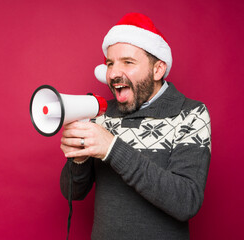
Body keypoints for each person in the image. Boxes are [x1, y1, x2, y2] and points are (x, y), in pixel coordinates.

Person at [59, 13, 211, 240]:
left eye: (128, 62)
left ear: (158, 69)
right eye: (110, 63)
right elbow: (73, 193)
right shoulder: (100, 114)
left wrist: (112, 148)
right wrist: (78, 161)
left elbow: (186, 201)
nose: (114, 73)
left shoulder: (191, 114)